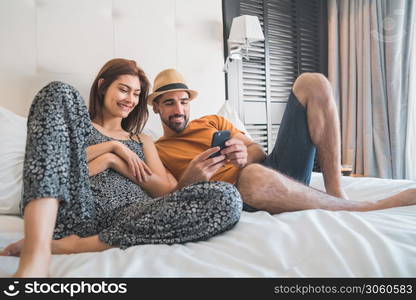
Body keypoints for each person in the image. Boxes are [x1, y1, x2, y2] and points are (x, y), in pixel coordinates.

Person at [0, 59, 242, 277]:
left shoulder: (142, 139)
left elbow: (163, 190)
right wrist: (112, 148)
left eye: (136, 94)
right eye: (123, 89)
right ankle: (36, 254)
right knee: (57, 91)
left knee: (227, 197)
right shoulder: (79, 128)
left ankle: (74, 246)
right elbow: (57, 167)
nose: (130, 99)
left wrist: (115, 161)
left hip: (134, 214)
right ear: (103, 86)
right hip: (81, 209)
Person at [149, 68, 416, 213]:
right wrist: (194, 177)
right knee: (252, 176)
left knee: (313, 82)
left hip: (274, 170)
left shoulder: (212, 121)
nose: (179, 109)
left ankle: (336, 193)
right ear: (156, 108)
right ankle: (362, 208)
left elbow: (257, 150)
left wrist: (243, 152)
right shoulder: (157, 151)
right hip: (245, 193)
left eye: (184, 102)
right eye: (170, 103)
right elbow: (169, 197)